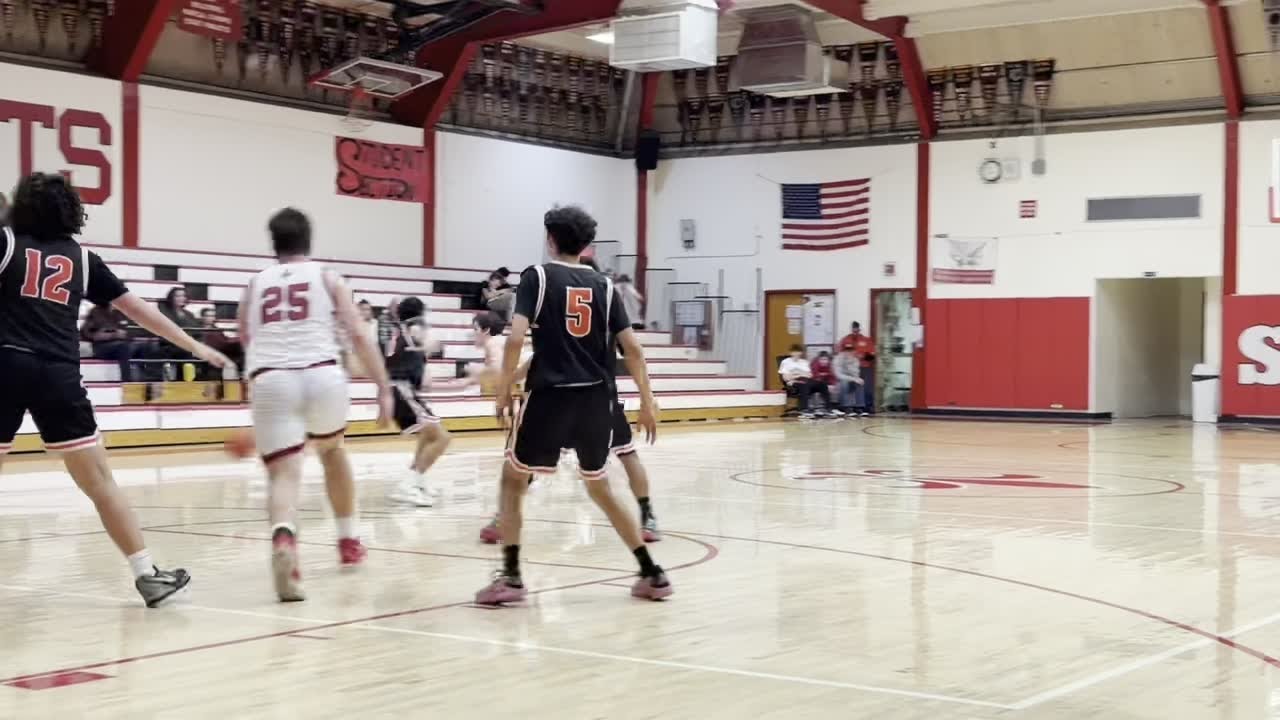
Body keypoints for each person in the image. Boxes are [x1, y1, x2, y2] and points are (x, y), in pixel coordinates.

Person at [0, 172, 232, 607]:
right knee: (101, 482)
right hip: (58, 373)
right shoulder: (83, 260)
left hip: (6, 363)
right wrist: (195, 344)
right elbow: (141, 311)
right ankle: (147, 574)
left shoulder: (6, 242)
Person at [476, 205, 670, 605]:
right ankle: (651, 572)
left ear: (550, 239)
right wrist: (648, 401)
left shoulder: (538, 276)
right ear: (588, 246)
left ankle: (511, 578)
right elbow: (632, 348)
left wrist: (501, 389)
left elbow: (515, 339)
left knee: (512, 481)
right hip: (597, 399)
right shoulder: (604, 286)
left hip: (550, 395)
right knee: (599, 486)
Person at [238, 207, 393, 602]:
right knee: (332, 451)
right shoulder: (327, 276)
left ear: (273, 243)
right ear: (309, 240)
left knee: (284, 475)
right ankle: (348, 540)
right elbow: (358, 334)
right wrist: (383, 387)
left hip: (271, 376)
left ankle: (285, 540)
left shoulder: (255, 284)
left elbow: (245, 336)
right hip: (322, 374)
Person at [383, 296, 450, 507]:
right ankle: (407, 486)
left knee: (427, 436)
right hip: (401, 390)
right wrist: (433, 345)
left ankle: (417, 481)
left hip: (400, 390)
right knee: (442, 438)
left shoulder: (397, 331)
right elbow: (428, 342)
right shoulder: (414, 326)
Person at [81, 300, 138, 382]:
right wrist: (109, 335)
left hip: (121, 344)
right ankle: (127, 381)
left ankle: (151, 380)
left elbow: (132, 333)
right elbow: (85, 333)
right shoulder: (95, 312)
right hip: (102, 348)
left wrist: (125, 334)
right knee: (123, 348)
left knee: (147, 347)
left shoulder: (120, 312)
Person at [779, 345, 832, 418]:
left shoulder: (804, 362)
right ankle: (804, 409)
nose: (797, 354)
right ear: (791, 352)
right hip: (793, 382)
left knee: (822, 384)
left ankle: (828, 408)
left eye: (798, 352)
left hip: (807, 380)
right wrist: (799, 375)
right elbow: (786, 377)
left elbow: (809, 375)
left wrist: (796, 373)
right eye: (794, 352)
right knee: (804, 385)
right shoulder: (786, 362)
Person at [837, 321, 876, 415]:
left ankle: (867, 406)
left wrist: (862, 357)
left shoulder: (866, 340)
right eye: (853, 329)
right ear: (852, 329)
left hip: (864, 367)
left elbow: (872, 356)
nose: (855, 331)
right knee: (849, 387)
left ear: (859, 329)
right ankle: (848, 407)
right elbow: (840, 354)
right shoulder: (845, 340)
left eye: (856, 329)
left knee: (866, 387)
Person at [197, 307, 242, 379]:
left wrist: (236, 340)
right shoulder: (198, 330)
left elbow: (224, 340)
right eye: (209, 316)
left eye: (213, 316)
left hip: (220, 351)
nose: (211, 318)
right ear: (203, 317)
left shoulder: (216, 329)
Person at [834, 341, 866, 414]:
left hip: (851, 379)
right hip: (838, 381)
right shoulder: (837, 359)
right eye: (847, 350)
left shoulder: (855, 360)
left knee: (860, 382)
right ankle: (846, 407)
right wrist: (853, 378)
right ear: (843, 351)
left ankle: (859, 407)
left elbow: (856, 374)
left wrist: (849, 365)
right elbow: (838, 375)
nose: (849, 352)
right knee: (844, 382)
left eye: (851, 350)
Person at [809, 350, 843, 417]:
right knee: (822, 387)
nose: (824, 361)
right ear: (818, 359)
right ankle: (818, 408)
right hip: (815, 383)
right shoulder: (814, 364)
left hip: (826, 382)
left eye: (825, 359)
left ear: (828, 360)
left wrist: (832, 384)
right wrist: (826, 384)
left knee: (836, 386)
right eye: (822, 359)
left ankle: (833, 407)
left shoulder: (829, 365)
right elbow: (815, 376)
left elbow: (832, 376)